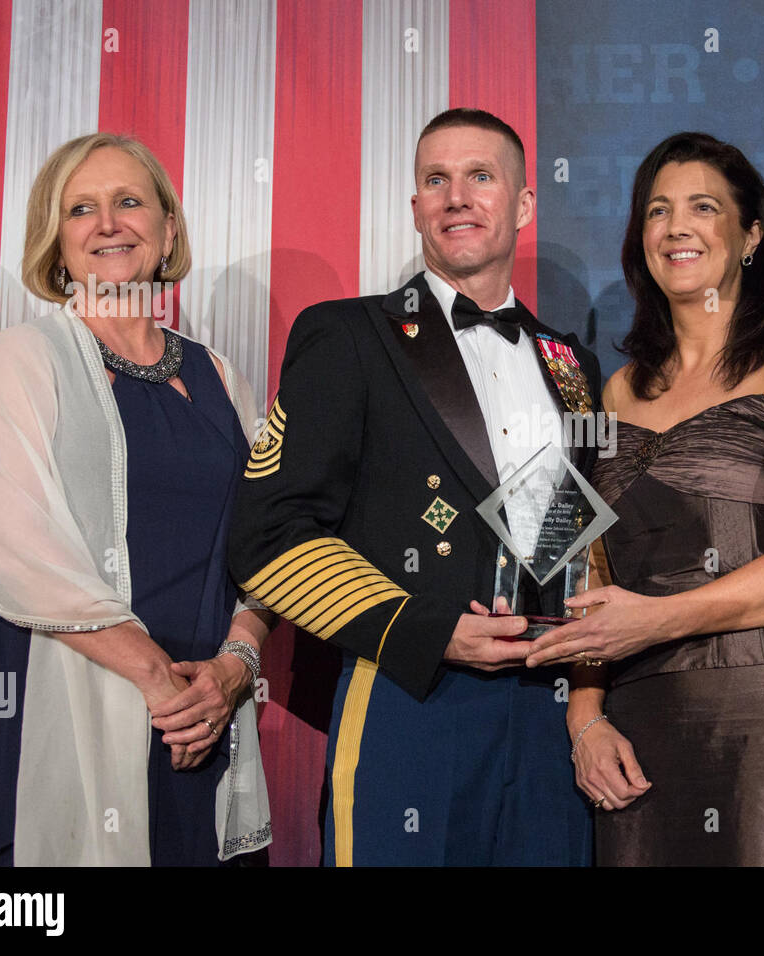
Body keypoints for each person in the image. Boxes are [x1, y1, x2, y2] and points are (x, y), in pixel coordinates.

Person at [227, 108, 599, 866]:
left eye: (480, 177)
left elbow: (567, 533)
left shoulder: (573, 363)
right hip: (412, 687)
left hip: (546, 712)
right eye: (437, 179)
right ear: (416, 208)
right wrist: (429, 632)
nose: (456, 196)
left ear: (523, 205)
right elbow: (268, 535)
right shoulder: (348, 335)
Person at [0, 133, 274, 866]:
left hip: (199, 715)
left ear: (168, 228)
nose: (108, 223)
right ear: (57, 243)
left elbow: (265, 547)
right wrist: (156, 680)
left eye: (129, 202)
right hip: (59, 703)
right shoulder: (21, 358)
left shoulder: (222, 376)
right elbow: (5, 544)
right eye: (81, 208)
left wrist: (234, 669)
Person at [524, 132, 764, 865]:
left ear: (750, 235)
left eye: (702, 207)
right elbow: (584, 566)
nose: (676, 227)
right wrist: (585, 714)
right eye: (657, 211)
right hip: (638, 712)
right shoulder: (611, 392)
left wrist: (657, 620)